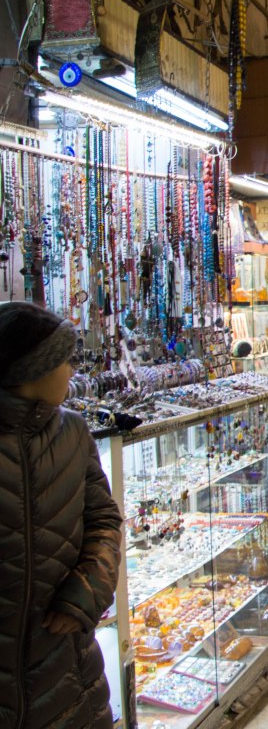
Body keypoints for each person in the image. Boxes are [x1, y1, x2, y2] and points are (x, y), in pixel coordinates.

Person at [0, 302, 123, 729]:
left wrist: (88, 590)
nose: (72, 371)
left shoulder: (72, 431)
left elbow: (104, 519)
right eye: (63, 360)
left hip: (68, 662)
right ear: (32, 370)